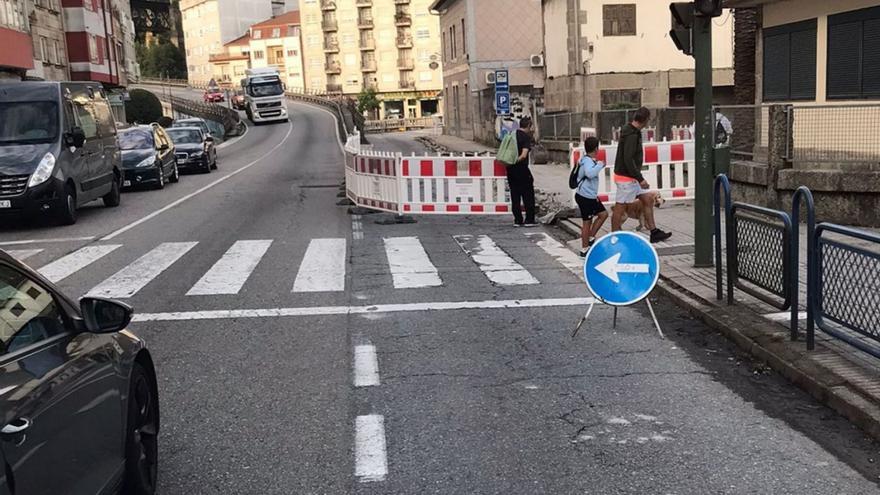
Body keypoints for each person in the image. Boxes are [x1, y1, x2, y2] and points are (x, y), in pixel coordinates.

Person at [611, 107, 672, 243]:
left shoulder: (632, 131)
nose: (648, 122)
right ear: (644, 120)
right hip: (626, 177)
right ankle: (614, 236)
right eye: (648, 119)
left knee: (647, 199)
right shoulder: (631, 135)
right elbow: (628, 158)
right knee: (620, 206)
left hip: (630, 176)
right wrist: (640, 179)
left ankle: (654, 232)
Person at [574, 136, 608, 257]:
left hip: (590, 196)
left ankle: (590, 238)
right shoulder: (588, 161)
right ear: (596, 148)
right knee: (587, 222)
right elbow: (589, 174)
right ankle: (584, 249)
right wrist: (600, 165)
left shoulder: (586, 159)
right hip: (585, 196)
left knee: (603, 214)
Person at [508, 116, 537, 227]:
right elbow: (524, 155)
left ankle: (518, 220)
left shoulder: (511, 135)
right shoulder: (525, 137)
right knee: (527, 194)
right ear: (528, 126)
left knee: (514, 194)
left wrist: (510, 163)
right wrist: (516, 161)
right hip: (521, 169)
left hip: (510, 169)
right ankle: (529, 220)